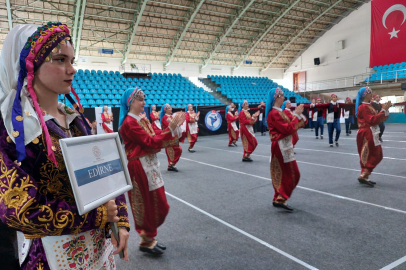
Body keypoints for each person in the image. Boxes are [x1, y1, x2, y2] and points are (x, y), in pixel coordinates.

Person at [0, 23, 130, 269]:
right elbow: (19, 210)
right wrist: (101, 215)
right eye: (60, 60)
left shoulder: (76, 118)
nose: (72, 70)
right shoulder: (12, 130)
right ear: (30, 63)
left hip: (98, 248)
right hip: (51, 255)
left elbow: (108, 172)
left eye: (72, 60)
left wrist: (119, 219)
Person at [119, 88, 185, 254]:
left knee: (158, 202)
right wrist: (170, 129)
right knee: (146, 202)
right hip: (139, 166)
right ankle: (147, 239)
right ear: (130, 102)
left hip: (149, 164)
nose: (144, 102)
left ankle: (148, 237)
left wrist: (173, 128)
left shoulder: (142, 118)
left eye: (144, 98)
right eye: (140, 99)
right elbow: (149, 142)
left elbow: (156, 134)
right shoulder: (129, 123)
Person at [265, 88, 306, 211]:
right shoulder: (274, 114)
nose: (284, 97)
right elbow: (287, 129)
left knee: (284, 173)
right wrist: (297, 116)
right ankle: (281, 197)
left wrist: (297, 115)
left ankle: (279, 197)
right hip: (280, 146)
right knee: (293, 173)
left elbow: (293, 125)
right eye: (282, 95)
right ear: (276, 97)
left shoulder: (280, 112)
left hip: (284, 145)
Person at [355, 87, 390, 187]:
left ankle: (365, 175)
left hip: (372, 132)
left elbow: (377, 119)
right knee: (370, 154)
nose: (372, 94)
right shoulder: (363, 107)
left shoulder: (369, 106)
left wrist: (384, 111)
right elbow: (372, 120)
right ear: (365, 95)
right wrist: (383, 111)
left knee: (372, 154)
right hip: (367, 133)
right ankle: (365, 174)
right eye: (370, 93)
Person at [161, 104, 184, 171]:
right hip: (168, 137)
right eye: (169, 108)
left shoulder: (171, 117)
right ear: (166, 110)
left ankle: (171, 164)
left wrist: (179, 122)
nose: (171, 109)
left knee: (178, 150)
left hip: (173, 136)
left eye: (171, 108)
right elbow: (171, 126)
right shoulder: (165, 117)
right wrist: (179, 123)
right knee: (171, 151)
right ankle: (171, 164)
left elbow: (175, 125)